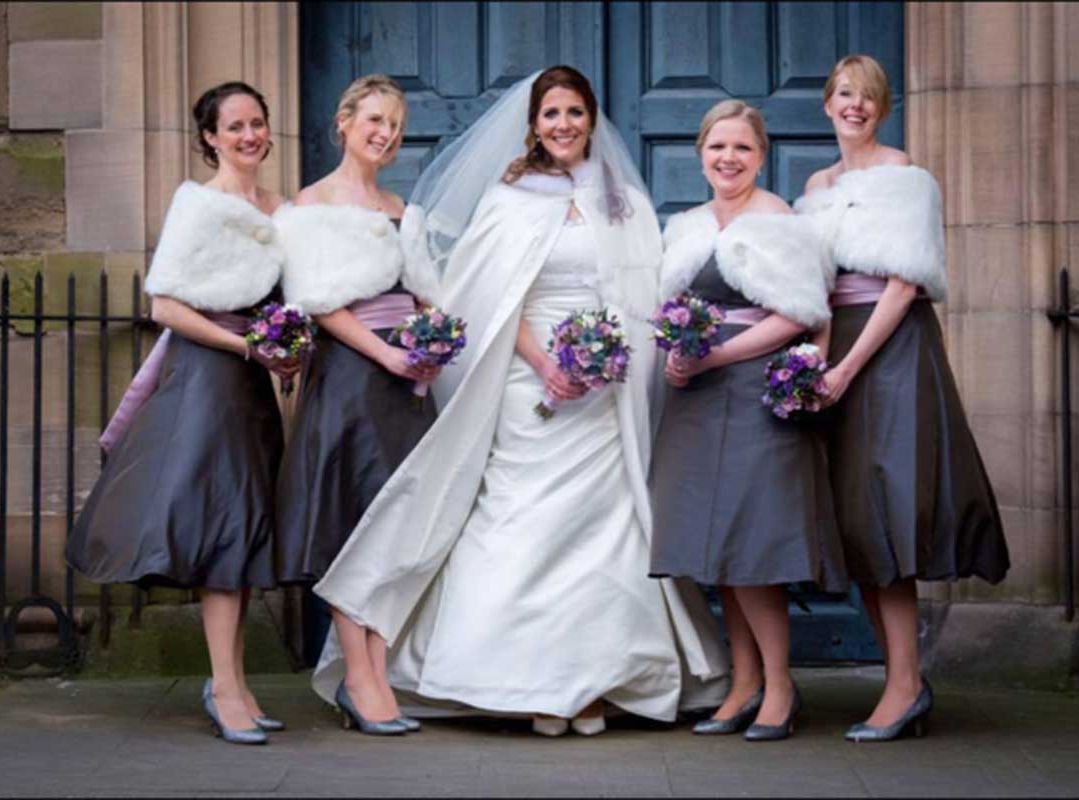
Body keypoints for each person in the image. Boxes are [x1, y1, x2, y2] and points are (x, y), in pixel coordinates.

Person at [311, 65, 730, 737]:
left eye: (573, 112)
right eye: (550, 114)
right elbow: (486, 295)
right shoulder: (509, 198)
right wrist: (547, 361)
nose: (562, 125)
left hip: (601, 391)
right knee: (518, 521)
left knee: (603, 530)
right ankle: (525, 684)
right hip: (525, 378)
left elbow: (636, 291)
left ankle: (594, 684)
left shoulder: (619, 197)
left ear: (591, 117)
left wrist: (601, 359)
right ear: (533, 124)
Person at [65, 81, 298, 745]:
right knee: (224, 530)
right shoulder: (198, 207)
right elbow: (164, 304)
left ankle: (237, 683)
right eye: (235, 128)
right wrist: (245, 345)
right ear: (209, 139)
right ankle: (224, 688)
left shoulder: (279, 209)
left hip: (252, 389)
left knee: (247, 528)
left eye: (257, 123)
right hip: (208, 381)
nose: (250, 135)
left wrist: (281, 352)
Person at [796, 54, 1009, 741]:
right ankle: (903, 682)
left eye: (868, 97)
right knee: (856, 516)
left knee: (889, 509)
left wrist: (849, 367)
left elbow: (902, 285)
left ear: (881, 108)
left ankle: (902, 685)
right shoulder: (815, 186)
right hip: (839, 357)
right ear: (826, 104)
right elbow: (817, 288)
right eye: (844, 94)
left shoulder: (905, 178)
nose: (855, 106)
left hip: (891, 352)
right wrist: (815, 364)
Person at [649, 99, 847, 742]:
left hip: (755, 395)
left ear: (761, 157)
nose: (728, 159)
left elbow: (800, 314)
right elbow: (673, 314)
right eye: (717, 147)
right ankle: (741, 684)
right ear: (700, 154)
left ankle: (781, 688)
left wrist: (717, 356)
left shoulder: (779, 220)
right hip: (697, 402)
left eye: (741, 148)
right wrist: (679, 360)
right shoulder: (685, 226)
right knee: (719, 550)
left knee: (754, 549)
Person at [273, 75, 442, 735]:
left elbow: (423, 294)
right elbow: (321, 302)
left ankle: (371, 664)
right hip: (351, 378)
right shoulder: (309, 206)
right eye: (374, 119)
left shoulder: (400, 206)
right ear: (343, 122)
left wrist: (430, 340)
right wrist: (387, 353)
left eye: (395, 125)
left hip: (406, 385)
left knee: (393, 525)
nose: (385, 134)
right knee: (350, 520)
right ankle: (360, 674)